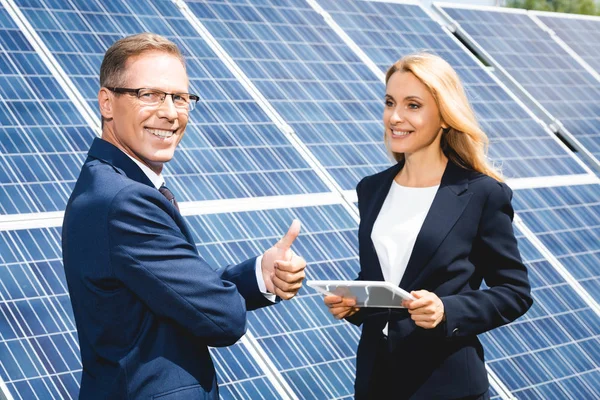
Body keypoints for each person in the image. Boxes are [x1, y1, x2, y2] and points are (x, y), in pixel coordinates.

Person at [62, 33, 306, 399]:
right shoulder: (125, 202)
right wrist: (222, 299)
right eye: (150, 95)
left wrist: (260, 276)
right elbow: (222, 318)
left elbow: (171, 295)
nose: (170, 112)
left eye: (180, 97)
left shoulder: (109, 187)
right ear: (107, 103)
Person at [323, 52, 533, 399]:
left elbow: (514, 292)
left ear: (445, 117)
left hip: (447, 385)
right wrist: (356, 304)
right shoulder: (371, 189)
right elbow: (388, 281)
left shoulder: (481, 194)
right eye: (390, 102)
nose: (395, 117)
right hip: (376, 383)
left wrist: (446, 309)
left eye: (413, 105)